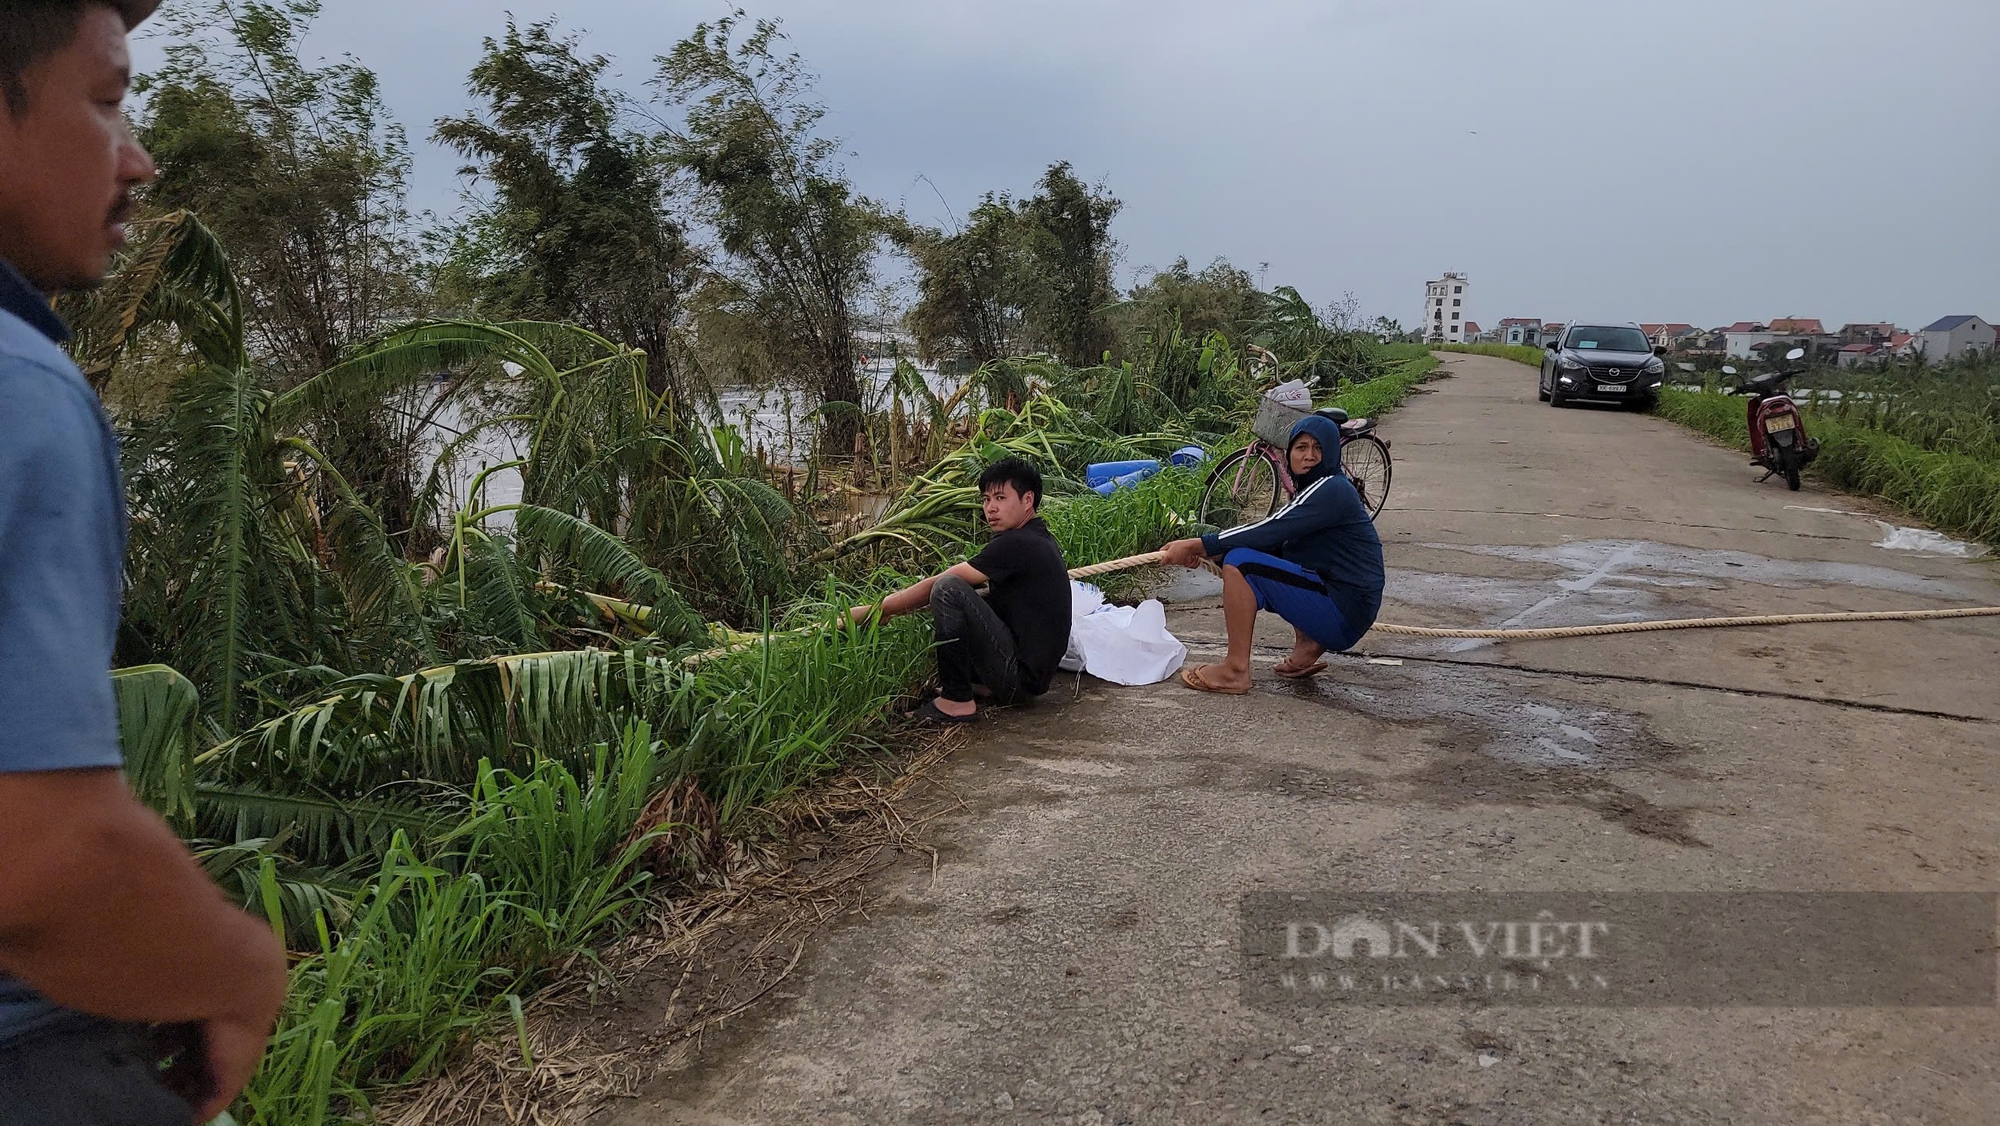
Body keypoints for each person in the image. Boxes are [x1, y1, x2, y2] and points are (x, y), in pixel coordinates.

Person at [0, 3, 289, 1123]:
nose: (138, 158)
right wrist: (235, 967)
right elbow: (40, 852)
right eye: (108, 99)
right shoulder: (23, 389)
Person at [1159, 414, 1385, 693]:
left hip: (1343, 613)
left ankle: (1234, 671)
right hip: (1346, 608)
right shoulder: (1322, 489)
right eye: (1301, 448)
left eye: (1318, 448)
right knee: (1268, 557)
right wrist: (1210, 555)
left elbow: (1268, 529)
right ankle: (1308, 646)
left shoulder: (1331, 490)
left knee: (1241, 564)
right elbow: (1276, 545)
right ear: (1289, 453)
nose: (1310, 456)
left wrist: (1197, 545)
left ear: (1332, 454)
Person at [846, 457, 1070, 724]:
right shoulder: (1036, 536)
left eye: (1000, 498)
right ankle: (978, 683)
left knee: (948, 590)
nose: (991, 508)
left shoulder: (1018, 542)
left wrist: (880, 609)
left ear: (1027, 500)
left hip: (1019, 680)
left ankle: (956, 700)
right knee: (972, 596)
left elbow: (944, 581)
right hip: (1029, 680)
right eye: (986, 499)